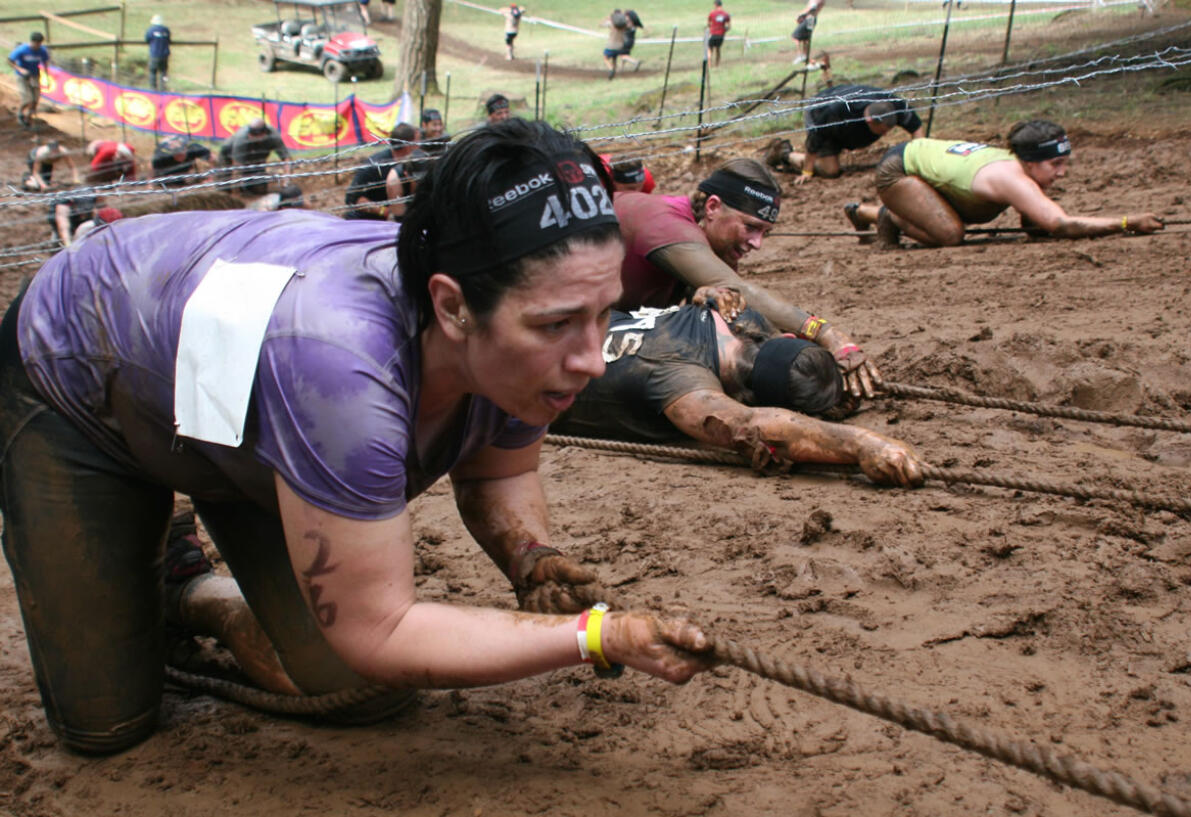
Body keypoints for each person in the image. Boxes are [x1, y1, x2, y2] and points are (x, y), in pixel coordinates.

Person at [0, 118, 713, 756]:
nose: (591, 358)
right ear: (452, 306)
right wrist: (596, 636)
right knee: (108, 729)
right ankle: (170, 571)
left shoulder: (525, 326)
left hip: (238, 414)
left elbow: (497, 471)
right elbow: (379, 628)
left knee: (362, 688)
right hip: (81, 372)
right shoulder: (344, 366)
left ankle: (195, 594)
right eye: (558, 324)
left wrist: (532, 556)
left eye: (603, 314)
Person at [553, 298, 923, 484]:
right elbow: (753, 425)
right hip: (514, 384)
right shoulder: (684, 384)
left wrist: (830, 347)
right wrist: (862, 444)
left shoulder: (723, 315)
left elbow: (748, 303)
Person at [614, 157, 880, 401]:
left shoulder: (702, 237)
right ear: (713, 207)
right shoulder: (665, 223)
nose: (757, 244)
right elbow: (739, 289)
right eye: (750, 227)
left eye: (765, 232)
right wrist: (826, 333)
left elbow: (736, 311)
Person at [845, 119, 1165, 248]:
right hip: (898, 169)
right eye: (1055, 164)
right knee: (950, 235)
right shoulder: (1012, 178)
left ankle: (880, 212)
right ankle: (886, 215)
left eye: (1064, 163)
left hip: (927, 165)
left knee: (955, 222)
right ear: (1028, 162)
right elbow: (1062, 224)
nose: (1062, 172)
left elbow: (1037, 221)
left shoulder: (1020, 169)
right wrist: (1126, 222)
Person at [769, 84, 922, 184]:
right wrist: (807, 171)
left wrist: (919, 161)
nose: (886, 135)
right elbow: (815, 138)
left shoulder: (895, 106)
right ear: (869, 121)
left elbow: (917, 129)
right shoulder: (837, 112)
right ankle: (785, 154)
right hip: (820, 113)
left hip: (845, 127)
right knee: (830, 171)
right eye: (883, 131)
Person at [343, 123, 419, 220]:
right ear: (408, 145)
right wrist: (384, 211)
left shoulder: (413, 163)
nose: (420, 144)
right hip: (364, 221)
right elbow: (353, 198)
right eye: (418, 141)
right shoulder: (375, 165)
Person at [218, 118, 291, 195]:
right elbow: (236, 167)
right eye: (250, 134)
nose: (250, 137)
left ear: (264, 133)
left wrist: (286, 179)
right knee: (224, 188)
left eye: (254, 135)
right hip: (229, 155)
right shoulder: (242, 138)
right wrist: (236, 192)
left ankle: (247, 186)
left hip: (256, 158)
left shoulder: (273, 136)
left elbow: (286, 158)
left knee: (260, 190)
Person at [9, 31, 50, 128]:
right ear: (32, 42)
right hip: (22, 76)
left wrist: (46, 76)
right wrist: (20, 69)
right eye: (37, 44)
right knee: (27, 99)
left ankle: (28, 118)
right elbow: (10, 61)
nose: (38, 46)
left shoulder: (42, 51)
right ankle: (20, 113)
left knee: (35, 99)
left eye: (40, 44)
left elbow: (45, 62)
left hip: (35, 75)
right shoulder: (22, 50)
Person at [791, 0, 823, 64]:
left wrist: (800, 15)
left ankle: (800, 55)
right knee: (806, 39)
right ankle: (805, 55)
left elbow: (812, 7)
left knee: (795, 37)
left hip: (809, 19)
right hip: (812, 19)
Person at [145, 14, 171, 91]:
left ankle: (153, 89)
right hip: (164, 54)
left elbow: (147, 39)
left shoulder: (151, 30)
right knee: (163, 72)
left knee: (153, 71)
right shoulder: (166, 30)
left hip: (154, 54)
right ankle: (163, 88)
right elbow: (169, 40)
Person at [602, 9, 629, 80]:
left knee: (605, 58)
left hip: (611, 45)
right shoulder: (624, 26)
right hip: (620, 46)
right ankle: (615, 71)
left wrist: (607, 18)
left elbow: (601, 24)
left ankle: (611, 70)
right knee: (614, 58)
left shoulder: (611, 24)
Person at [706, 0, 731, 67]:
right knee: (718, 49)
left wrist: (711, 27)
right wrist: (723, 30)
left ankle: (709, 65)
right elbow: (729, 27)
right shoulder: (726, 14)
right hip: (721, 35)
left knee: (709, 49)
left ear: (715, 5)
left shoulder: (712, 13)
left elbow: (708, 24)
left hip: (713, 34)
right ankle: (717, 65)